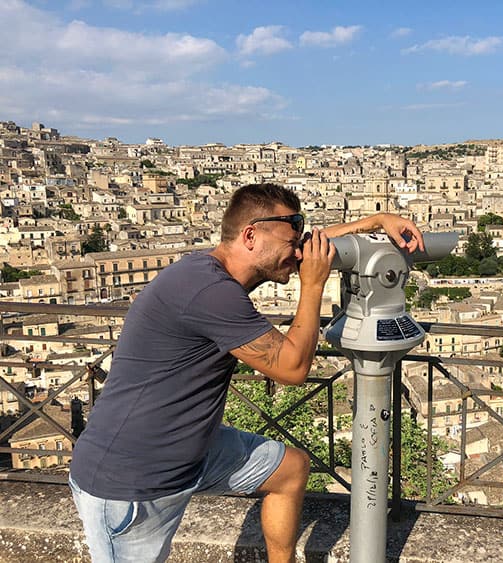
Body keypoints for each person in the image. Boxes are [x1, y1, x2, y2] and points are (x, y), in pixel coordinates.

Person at [69, 183, 424, 563]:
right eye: (292, 241)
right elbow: (291, 369)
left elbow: (303, 250)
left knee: (289, 469)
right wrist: (313, 286)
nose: (299, 251)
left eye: (300, 240)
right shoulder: (208, 291)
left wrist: (371, 222)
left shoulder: (205, 271)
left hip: (189, 451)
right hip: (132, 481)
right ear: (251, 236)